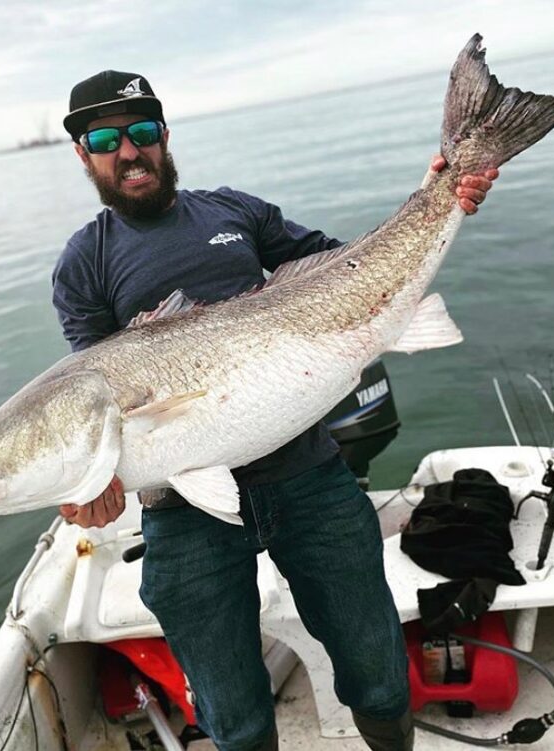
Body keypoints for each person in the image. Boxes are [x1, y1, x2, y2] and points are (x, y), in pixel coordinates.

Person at [52, 70, 497, 751]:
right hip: (183, 510)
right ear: (84, 156)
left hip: (309, 473)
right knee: (232, 716)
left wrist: (439, 193)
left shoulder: (234, 212)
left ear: (165, 138)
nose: (128, 151)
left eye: (142, 132)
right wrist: (89, 486)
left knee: (379, 673)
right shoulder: (85, 263)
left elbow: (342, 263)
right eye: (106, 139)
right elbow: (93, 396)